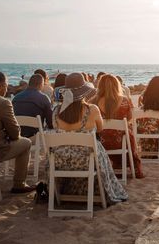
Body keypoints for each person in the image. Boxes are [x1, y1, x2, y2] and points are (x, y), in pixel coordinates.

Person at [51, 72, 128, 203]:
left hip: (61, 161)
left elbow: (55, 128)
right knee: (99, 150)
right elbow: (100, 129)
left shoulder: (56, 111)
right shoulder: (92, 110)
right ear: (83, 91)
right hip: (86, 160)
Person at [93, 74, 144, 179]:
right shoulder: (125, 100)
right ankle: (133, 167)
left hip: (99, 143)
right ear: (117, 85)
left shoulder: (93, 102)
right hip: (121, 143)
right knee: (128, 132)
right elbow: (130, 118)